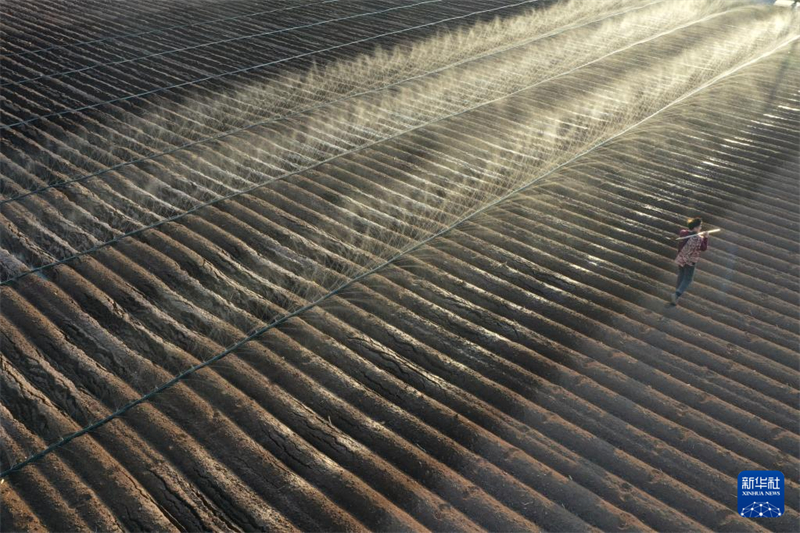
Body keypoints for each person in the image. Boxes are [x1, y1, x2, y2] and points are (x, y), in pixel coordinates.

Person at [671, 217, 709, 305]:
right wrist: (706, 238)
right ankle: (676, 294)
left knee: (681, 275)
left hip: (681, 258)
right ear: (695, 228)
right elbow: (703, 248)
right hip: (690, 261)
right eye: (700, 226)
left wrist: (699, 235)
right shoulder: (698, 239)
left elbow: (685, 233)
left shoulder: (683, 233)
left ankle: (676, 297)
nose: (701, 228)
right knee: (688, 279)